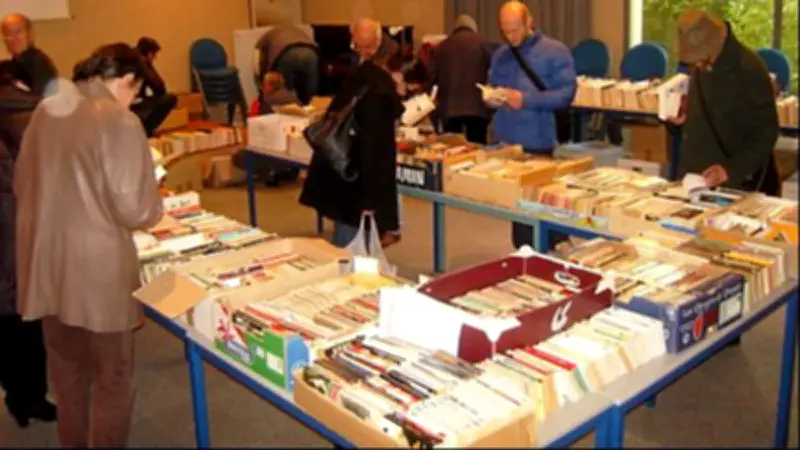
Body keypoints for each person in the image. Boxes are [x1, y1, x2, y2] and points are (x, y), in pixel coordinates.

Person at [14, 43, 164, 447]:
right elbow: (137, 210)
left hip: (45, 266)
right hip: (97, 274)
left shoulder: (47, 109)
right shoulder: (119, 120)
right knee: (112, 379)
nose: (133, 101)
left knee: (67, 376)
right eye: (135, 91)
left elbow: (20, 184)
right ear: (125, 79)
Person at [487, 1, 576, 249]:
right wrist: (492, 98)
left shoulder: (555, 51)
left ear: (529, 22)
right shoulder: (501, 55)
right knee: (521, 216)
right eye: (505, 30)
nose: (510, 36)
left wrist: (527, 100)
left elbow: (566, 95)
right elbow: (493, 86)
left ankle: (555, 246)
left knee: (540, 207)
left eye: (515, 29)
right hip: (506, 142)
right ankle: (532, 256)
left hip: (538, 140)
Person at [299, 44, 404, 249]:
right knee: (351, 249)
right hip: (355, 183)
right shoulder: (380, 95)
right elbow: (376, 157)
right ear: (395, 71)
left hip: (339, 170)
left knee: (347, 236)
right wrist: (383, 215)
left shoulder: (361, 79)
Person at [0, 60, 56, 429]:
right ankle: (31, 396)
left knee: (6, 316)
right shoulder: (33, 115)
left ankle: (17, 396)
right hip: (17, 227)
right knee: (25, 315)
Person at [670, 10, 780, 196]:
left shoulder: (749, 70)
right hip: (695, 181)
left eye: (701, 57)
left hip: (735, 185)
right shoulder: (704, 61)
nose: (697, 65)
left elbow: (765, 135)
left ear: (717, 43)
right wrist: (681, 119)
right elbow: (705, 112)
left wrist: (730, 170)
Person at [430, 14, 492, 143]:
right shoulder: (483, 44)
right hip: (477, 108)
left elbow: (432, 78)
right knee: (476, 149)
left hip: (449, 109)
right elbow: (493, 74)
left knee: (453, 151)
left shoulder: (441, 47)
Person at [254, 23, 319, 105]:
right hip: (311, 53)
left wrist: (261, 86)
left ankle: (289, 112)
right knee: (310, 92)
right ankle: (308, 111)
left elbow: (258, 67)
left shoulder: (261, 42)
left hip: (287, 53)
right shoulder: (294, 30)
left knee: (285, 91)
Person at [1, 14, 57, 96]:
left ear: (30, 34)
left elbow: (39, 100)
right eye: (8, 33)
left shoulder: (38, 63)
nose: (13, 38)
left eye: (18, 32)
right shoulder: (12, 64)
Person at [132, 36, 177, 137]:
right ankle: (146, 130)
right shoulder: (141, 64)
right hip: (133, 103)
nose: (155, 58)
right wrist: (150, 67)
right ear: (149, 54)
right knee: (170, 99)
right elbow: (159, 86)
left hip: (130, 101)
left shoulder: (131, 58)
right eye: (154, 55)